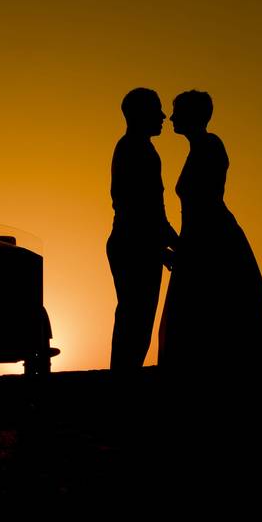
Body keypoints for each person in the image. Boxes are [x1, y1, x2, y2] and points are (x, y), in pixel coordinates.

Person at [158, 90, 262, 386]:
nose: (172, 117)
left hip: (212, 238)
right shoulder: (199, 147)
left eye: (177, 111)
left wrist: (186, 248)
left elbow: (203, 202)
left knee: (213, 312)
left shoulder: (209, 145)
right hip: (201, 237)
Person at [108, 88, 179, 370]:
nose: (163, 116)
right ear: (140, 114)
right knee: (135, 323)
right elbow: (141, 209)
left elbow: (149, 213)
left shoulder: (136, 148)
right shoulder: (137, 150)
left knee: (134, 323)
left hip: (133, 243)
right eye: (156, 110)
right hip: (134, 246)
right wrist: (169, 246)